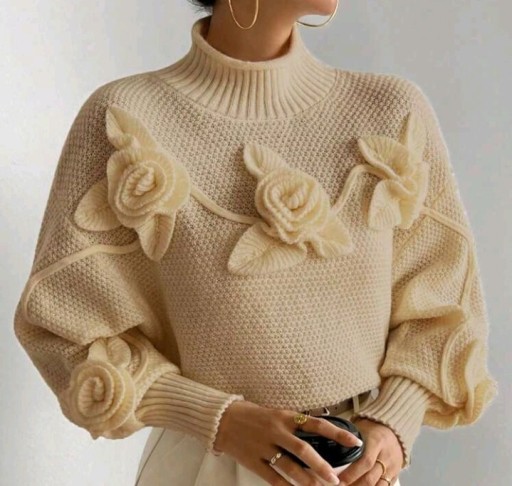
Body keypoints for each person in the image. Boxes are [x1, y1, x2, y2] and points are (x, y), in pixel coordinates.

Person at [12, 0, 498, 485]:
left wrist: (393, 421)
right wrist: (216, 417)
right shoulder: (126, 119)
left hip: (354, 466)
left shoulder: (390, 111)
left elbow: (446, 307)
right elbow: (60, 327)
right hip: (206, 462)